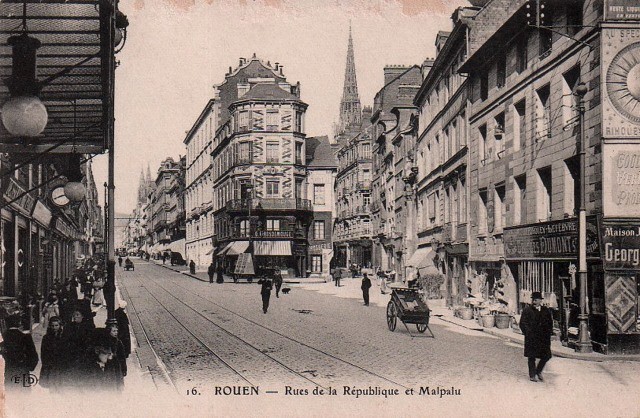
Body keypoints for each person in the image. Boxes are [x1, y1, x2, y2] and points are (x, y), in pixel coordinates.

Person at [519, 291, 553, 382]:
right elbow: (522, 323)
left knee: (546, 356)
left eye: (536, 300)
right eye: (533, 299)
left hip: (543, 337)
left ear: (540, 301)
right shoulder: (527, 310)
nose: (534, 301)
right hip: (532, 337)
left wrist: (549, 332)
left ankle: (538, 371)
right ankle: (532, 375)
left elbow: (550, 322)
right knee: (531, 356)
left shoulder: (546, 310)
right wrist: (528, 332)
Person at [0, 315, 39, 390]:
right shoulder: (26, 337)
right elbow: (34, 356)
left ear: (6, 324)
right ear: (19, 323)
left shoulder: (3, 339)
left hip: (9, 371)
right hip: (23, 370)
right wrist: (29, 367)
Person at [39, 316, 69, 390]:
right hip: (51, 366)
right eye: (52, 326)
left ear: (60, 326)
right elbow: (43, 353)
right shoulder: (46, 338)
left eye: (56, 325)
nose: (54, 327)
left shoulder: (64, 337)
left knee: (62, 387)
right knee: (52, 387)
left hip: (61, 366)